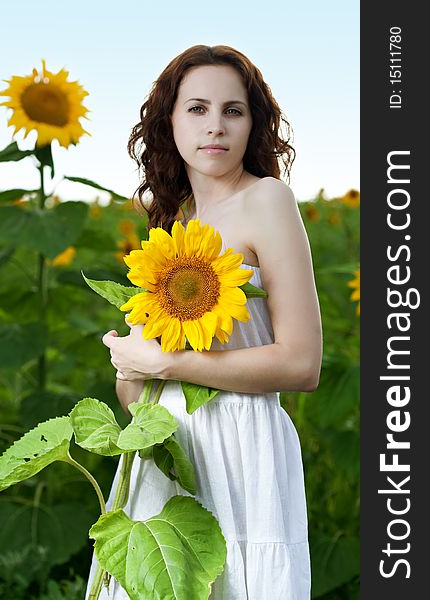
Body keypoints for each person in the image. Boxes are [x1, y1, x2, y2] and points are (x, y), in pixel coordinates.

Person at [86, 44, 322, 599]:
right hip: (170, 447)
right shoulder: (175, 222)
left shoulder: (268, 200)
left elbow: (302, 362)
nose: (214, 126)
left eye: (232, 111)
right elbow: (147, 389)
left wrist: (167, 360)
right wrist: (131, 366)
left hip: (243, 444)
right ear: (167, 122)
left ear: (253, 124)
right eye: (196, 109)